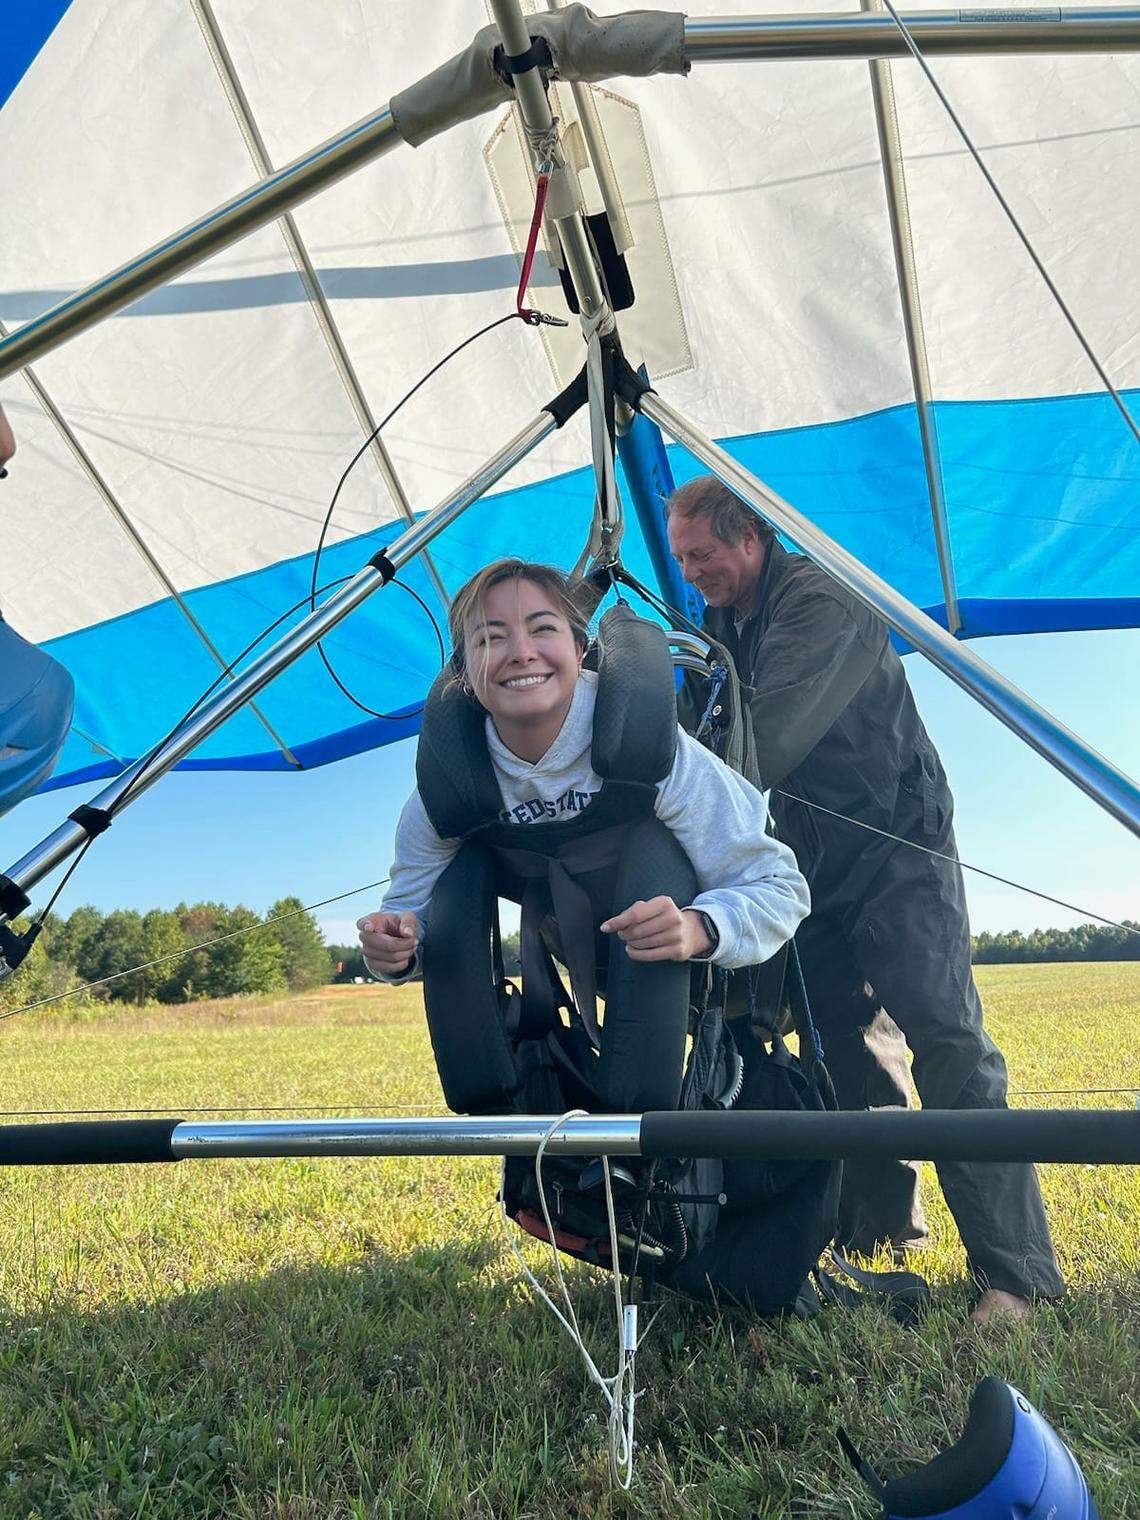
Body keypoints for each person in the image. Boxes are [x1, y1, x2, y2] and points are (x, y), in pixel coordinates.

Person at [665, 475, 1065, 1324]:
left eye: (702, 553)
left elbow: (754, 744)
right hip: (815, 859)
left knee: (946, 1037)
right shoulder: (721, 622)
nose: (692, 570)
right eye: (682, 558)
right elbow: (699, 721)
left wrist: (660, 802)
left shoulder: (820, 599)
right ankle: (884, 1224)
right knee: (846, 1041)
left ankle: (1018, 1275)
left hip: (896, 842)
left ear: (751, 538)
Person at [358, 555, 809, 1001]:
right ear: (466, 675)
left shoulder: (651, 749)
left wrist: (700, 927)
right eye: (490, 639)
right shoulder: (449, 784)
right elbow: (405, 911)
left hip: (682, 958)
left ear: (579, 650)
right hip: (569, 952)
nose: (520, 653)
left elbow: (780, 887)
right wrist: (393, 947)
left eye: (542, 629)